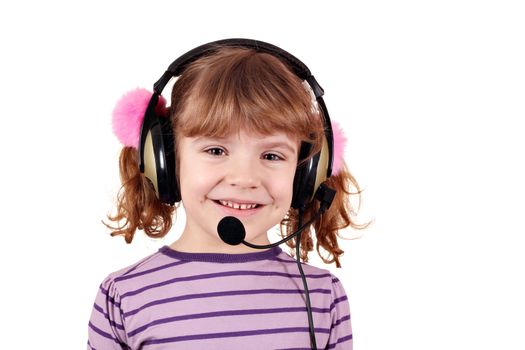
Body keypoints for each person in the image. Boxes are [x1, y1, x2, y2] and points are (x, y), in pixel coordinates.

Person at [87, 38, 371, 350]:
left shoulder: (323, 297)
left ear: (307, 174)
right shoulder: (124, 297)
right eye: (216, 149)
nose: (245, 178)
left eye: (272, 156)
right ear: (166, 161)